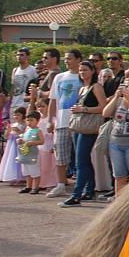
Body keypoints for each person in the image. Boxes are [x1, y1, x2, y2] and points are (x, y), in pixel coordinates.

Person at [59, 59, 107, 207]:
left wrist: (84, 109)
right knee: (83, 160)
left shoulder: (96, 87)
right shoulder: (82, 88)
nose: (82, 73)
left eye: (85, 70)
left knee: (80, 162)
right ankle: (89, 190)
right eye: (80, 70)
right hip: (79, 126)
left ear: (92, 71)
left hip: (89, 127)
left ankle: (76, 195)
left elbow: (103, 107)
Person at [45, 48, 81, 198]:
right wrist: (50, 120)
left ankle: (82, 185)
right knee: (60, 155)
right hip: (61, 121)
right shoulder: (59, 77)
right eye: (65, 59)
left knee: (80, 155)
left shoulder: (84, 76)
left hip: (79, 122)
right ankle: (60, 185)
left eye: (70, 58)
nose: (67, 61)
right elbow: (53, 100)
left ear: (78, 60)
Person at [103, 76, 129, 198]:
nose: (128, 89)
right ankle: (118, 200)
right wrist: (116, 97)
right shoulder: (118, 101)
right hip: (115, 143)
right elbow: (105, 113)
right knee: (119, 175)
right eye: (126, 86)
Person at [15, 110, 44, 194]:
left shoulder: (38, 131)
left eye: (32, 120)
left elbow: (42, 141)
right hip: (25, 153)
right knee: (27, 170)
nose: (29, 122)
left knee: (34, 170)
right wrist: (20, 140)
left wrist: (33, 143)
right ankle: (28, 186)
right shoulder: (27, 130)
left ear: (37, 121)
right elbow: (23, 138)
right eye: (28, 120)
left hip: (33, 154)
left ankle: (36, 187)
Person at [0, 107, 27, 184]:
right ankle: (13, 176)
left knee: (20, 159)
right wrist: (8, 129)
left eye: (18, 115)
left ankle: (21, 176)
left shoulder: (25, 124)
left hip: (19, 144)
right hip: (11, 145)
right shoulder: (13, 125)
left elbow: (25, 135)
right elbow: (6, 136)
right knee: (12, 160)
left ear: (23, 115)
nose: (16, 116)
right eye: (14, 115)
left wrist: (18, 131)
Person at [11, 47, 38, 113]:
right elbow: (13, 87)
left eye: (21, 55)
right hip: (14, 104)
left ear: (28, 57)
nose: (19, 57)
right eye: (17, 55)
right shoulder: (15, 70)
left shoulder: (33, 70)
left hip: (26, 104)